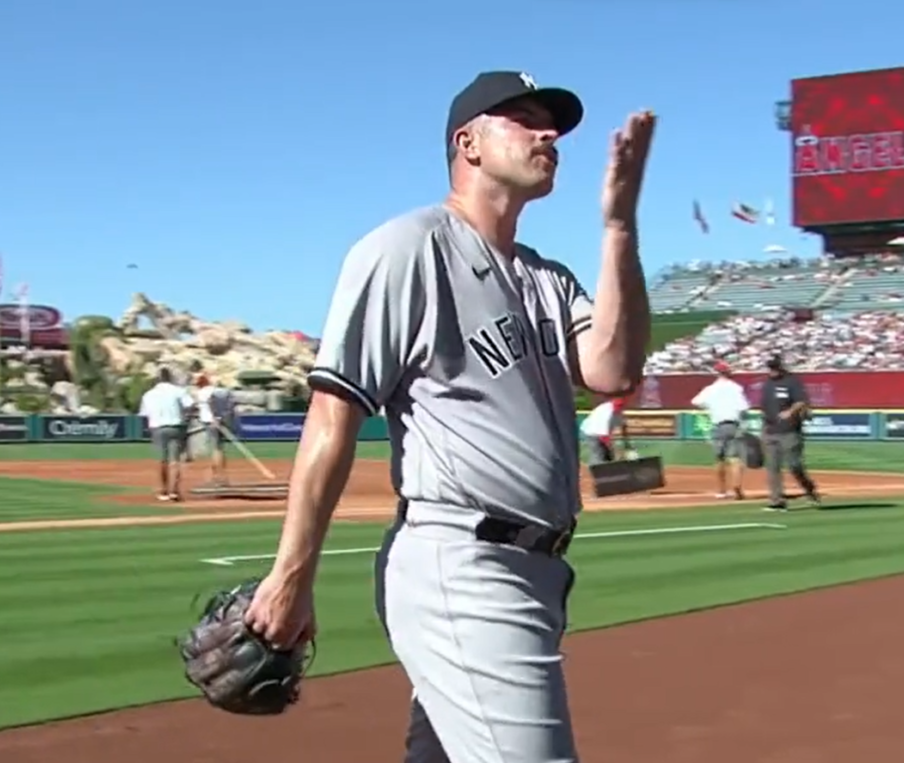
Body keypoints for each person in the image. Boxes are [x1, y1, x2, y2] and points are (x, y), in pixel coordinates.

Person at [241, 70, 655, 763]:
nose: (547, 132)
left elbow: (614, 369)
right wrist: (291, 575)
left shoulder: (546, 277)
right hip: (463, 564)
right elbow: (331, 416)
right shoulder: (407, 248)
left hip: (537, 573)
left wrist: (618, 226)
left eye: (549, 122)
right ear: (467, 141)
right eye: (523, 118)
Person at [757, 355, 820, 511]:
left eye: (775, 367)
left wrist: (790, 412)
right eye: (770, 368)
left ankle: (810, 490)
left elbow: (801, 401)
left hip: (790, 431)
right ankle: (777, 500)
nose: (772, 371)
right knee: (772, 467)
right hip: (770, 430)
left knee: (794, 465)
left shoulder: (792, 382)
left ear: (781, 367)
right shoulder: (767, 384)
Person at [690, 360, 751, 499]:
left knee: (719, 459)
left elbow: (696, 401)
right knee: (735, 458)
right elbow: (744, 407)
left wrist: (711, 407)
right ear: (728, 373)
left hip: (718, 424)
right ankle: (737, 487)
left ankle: (721, 490)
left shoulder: (711, 388)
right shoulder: (736, 387)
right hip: (733, 424)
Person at [138, 367, 195, 501]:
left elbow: (144, 414)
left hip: (157, 427)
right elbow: (191, 405)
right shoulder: (178, 391)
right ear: (170, 377)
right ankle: (174, 491)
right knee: (175, 461)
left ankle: (163, 491)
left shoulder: (148, 394)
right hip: (176, 426)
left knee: (161, 460)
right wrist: (187, 416)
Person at [194, 374, 235, 485]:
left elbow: (208, 404)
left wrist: (215, 417)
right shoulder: (218, 390)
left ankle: (218, 477)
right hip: (221, 420)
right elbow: (229, 401)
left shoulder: (201, 393)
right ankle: (222, 476)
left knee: (216, 449)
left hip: (210, 422)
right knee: (220, 448)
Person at [579, 396, 632, 465]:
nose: (620, 408)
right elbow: (604, 437)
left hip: (601, 433)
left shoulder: (618, 411)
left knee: (609, 456)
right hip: (591, 432)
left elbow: (623, 426)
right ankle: (594, 470)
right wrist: (613, 449)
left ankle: (608, 469)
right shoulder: (606, 413)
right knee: (599, 455)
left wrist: (626, 443)